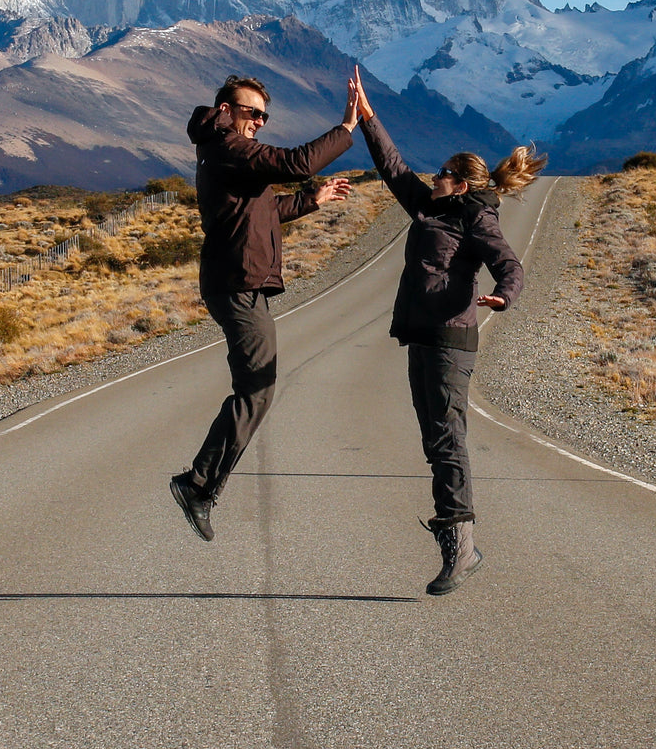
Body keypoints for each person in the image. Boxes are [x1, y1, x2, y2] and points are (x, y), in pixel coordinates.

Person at [349, 66, 545, 594]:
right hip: (423, 338)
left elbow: (511, 264)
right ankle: (460, 542)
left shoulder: (474, 218)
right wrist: (367, 116)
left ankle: (460, 545)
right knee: (435, 441)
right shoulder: (428, 207)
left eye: (440, 174)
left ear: (460, 184)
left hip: (452, 340)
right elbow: (392, 167)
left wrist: (505, 295)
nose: (431, 178)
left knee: (447, 438)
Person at [170, 74, 358, 541]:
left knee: (258, 386)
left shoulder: (227, 152)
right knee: (257, 387)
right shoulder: (226, 147)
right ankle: (197, 485)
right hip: (235, 284)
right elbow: (296, 162)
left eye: (263, 115)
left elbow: (262, 212)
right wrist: (348, 128)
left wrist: (313, 200)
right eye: (251, 112)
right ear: (226, 109)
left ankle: (199, 484)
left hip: (240, 284)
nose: (259, 121)